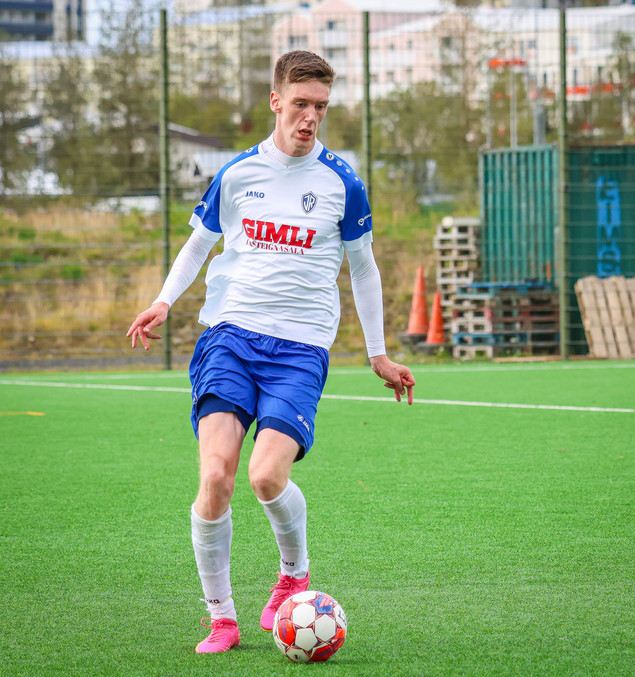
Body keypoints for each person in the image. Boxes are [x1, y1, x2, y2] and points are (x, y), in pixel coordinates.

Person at [126, 50, 415, 654]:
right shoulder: (237, 173)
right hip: (229, 336)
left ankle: (293, 576)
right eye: (301, 104)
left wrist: (378, 354)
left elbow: (364, 270)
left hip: (301, 347)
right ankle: (222, 617)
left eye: (321, 107)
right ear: (277, 101)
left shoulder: (343, 183)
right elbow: (199, 244)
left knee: (265, 475)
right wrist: (163, 301)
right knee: (216, 476)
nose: (311, 117)